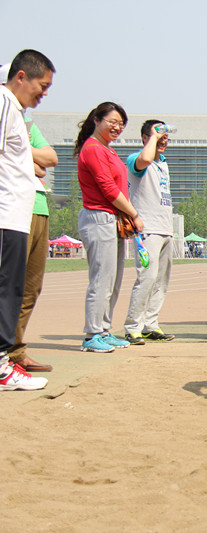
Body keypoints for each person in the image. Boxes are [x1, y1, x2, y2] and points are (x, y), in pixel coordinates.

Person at [0, 49, 54, 390]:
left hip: (18, 214)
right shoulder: (4, 102)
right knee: (7, 290)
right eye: (42, 85)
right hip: (6, 214)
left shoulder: (14, 111)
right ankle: (3, 367)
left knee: (13, 288)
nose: (44, 93)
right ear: (21, 76)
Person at [75, 102, 139, 353]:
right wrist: (135, 214)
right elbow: (108, 189)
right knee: (101, 279)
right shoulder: (92, 149)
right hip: (98, 217)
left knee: (113, 280)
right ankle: (92, 335)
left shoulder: (108, 150)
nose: (117, 127)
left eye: (121, 124)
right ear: (96, 120)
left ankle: (103, 329)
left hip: (113, 220)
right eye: (112, 121)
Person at [122, 120, 176, 344]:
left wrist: (158, 137)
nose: (163, 141)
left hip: (165, 228)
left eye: (166, 138)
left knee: (161, 281)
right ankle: (132, 326)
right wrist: (154, 137)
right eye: (157, 136)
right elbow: (144, 159)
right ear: (145, 138)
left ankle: (150, 324)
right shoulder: (136, 159)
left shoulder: (163, 163)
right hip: (148, 229)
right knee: (147, 277)